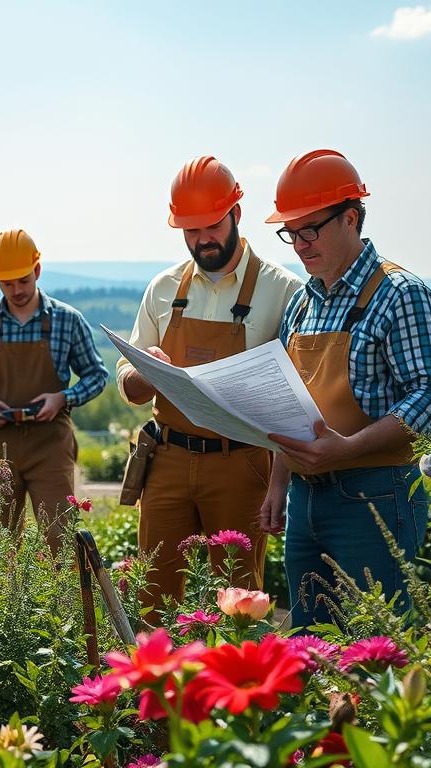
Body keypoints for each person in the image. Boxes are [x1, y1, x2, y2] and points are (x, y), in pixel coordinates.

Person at [261, 150, 431, 630]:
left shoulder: (401, 293)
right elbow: (290, 399)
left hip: (376, 495)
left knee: (377, 640)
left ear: (351, 217)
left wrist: (347, 449)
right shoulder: (303, 303)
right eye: (291, 232)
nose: (299, 244)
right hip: (307, 497)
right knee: (311, 640)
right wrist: (278, 485)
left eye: (310, 229)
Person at [118, 156, 304, 615]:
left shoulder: (284, 291)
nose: (202, 240)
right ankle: (155, 685)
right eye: (190, 231)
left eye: (212, 226)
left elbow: (298, 396)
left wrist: (280, 481)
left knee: (239, 600)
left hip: (240, 464)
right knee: (154, 595)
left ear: (236, 215)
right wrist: (145, 370)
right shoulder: (162, 288)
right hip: (167, 459)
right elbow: (127, 380)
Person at [0, 229, 108, 550]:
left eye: (22, 280)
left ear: (37, 270)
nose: (16, 290)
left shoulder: (67, 320)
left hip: (50, 443)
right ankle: (1, 602)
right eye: (7, 283)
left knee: (60, 538)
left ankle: (63, 601)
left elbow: (97, 375)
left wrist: (63, 397)